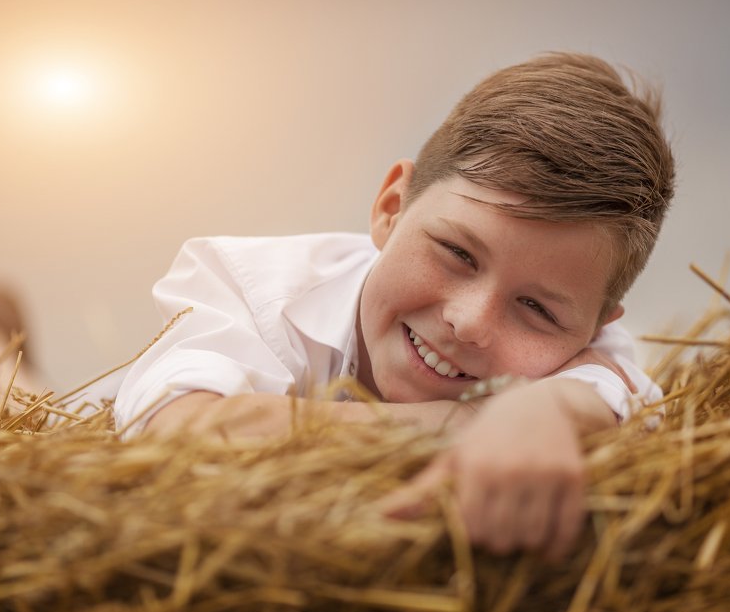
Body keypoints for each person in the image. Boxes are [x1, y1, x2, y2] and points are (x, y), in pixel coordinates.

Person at [113, 52, 675, 562]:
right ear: (390, 208)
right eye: (457, 253)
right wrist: (470, 420)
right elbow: (180, 434)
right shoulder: (248, 286)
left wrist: (554, 410)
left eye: (535, 309)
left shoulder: (585, 351)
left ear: (596, 328)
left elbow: (612, 401)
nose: (470, 321)